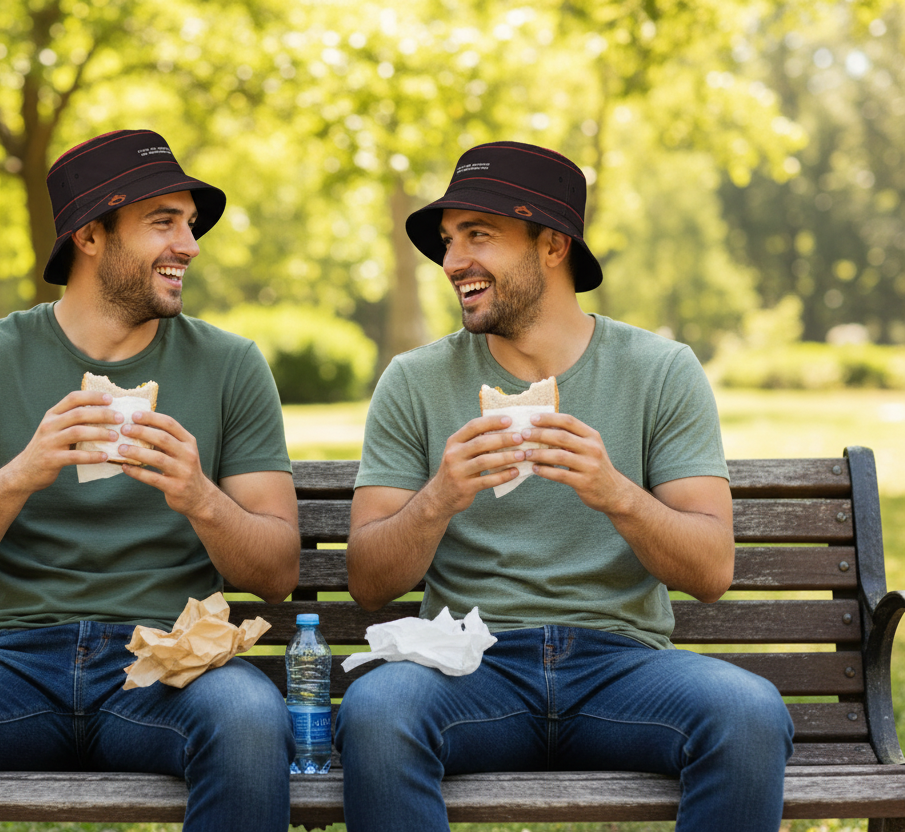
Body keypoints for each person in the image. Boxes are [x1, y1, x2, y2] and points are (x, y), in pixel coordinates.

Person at [0, 129, 300, 832]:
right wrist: (24, 470)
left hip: (166, 665)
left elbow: (277, 571)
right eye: (163, 223)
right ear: (89, 235)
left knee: (251, 721)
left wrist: (199, 495)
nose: (191, 245)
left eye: (190, 224)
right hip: (13, 663)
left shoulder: (230, 366)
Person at [334, 141, 794, 831]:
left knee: (751, 714)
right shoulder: (416, 380)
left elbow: (711, 570)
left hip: (624, 667)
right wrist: (441, 497)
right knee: (376, 713)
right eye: (449, 239)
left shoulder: (660, 371)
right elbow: (369, 583)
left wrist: (616, 493)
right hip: (469, 664)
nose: (453, 260)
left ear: (553, 245)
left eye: (478, 235)